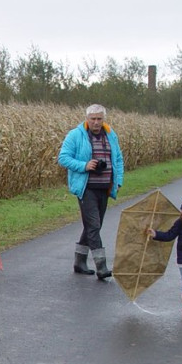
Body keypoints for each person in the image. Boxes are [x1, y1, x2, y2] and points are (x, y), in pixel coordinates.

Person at [58, 104, 124, 280]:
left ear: (104, 119)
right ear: (87, 118)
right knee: (93, 225)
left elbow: (117, 158)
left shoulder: (110, 135)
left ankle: (79, 262)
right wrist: (85, 165)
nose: (96, 122)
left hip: (104, 187)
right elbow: (63, 158)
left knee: (93, 226)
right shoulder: (76, 135)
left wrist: (118, 181)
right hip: (86, 187)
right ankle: (101, 266)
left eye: (99, 119)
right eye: (93, 118)